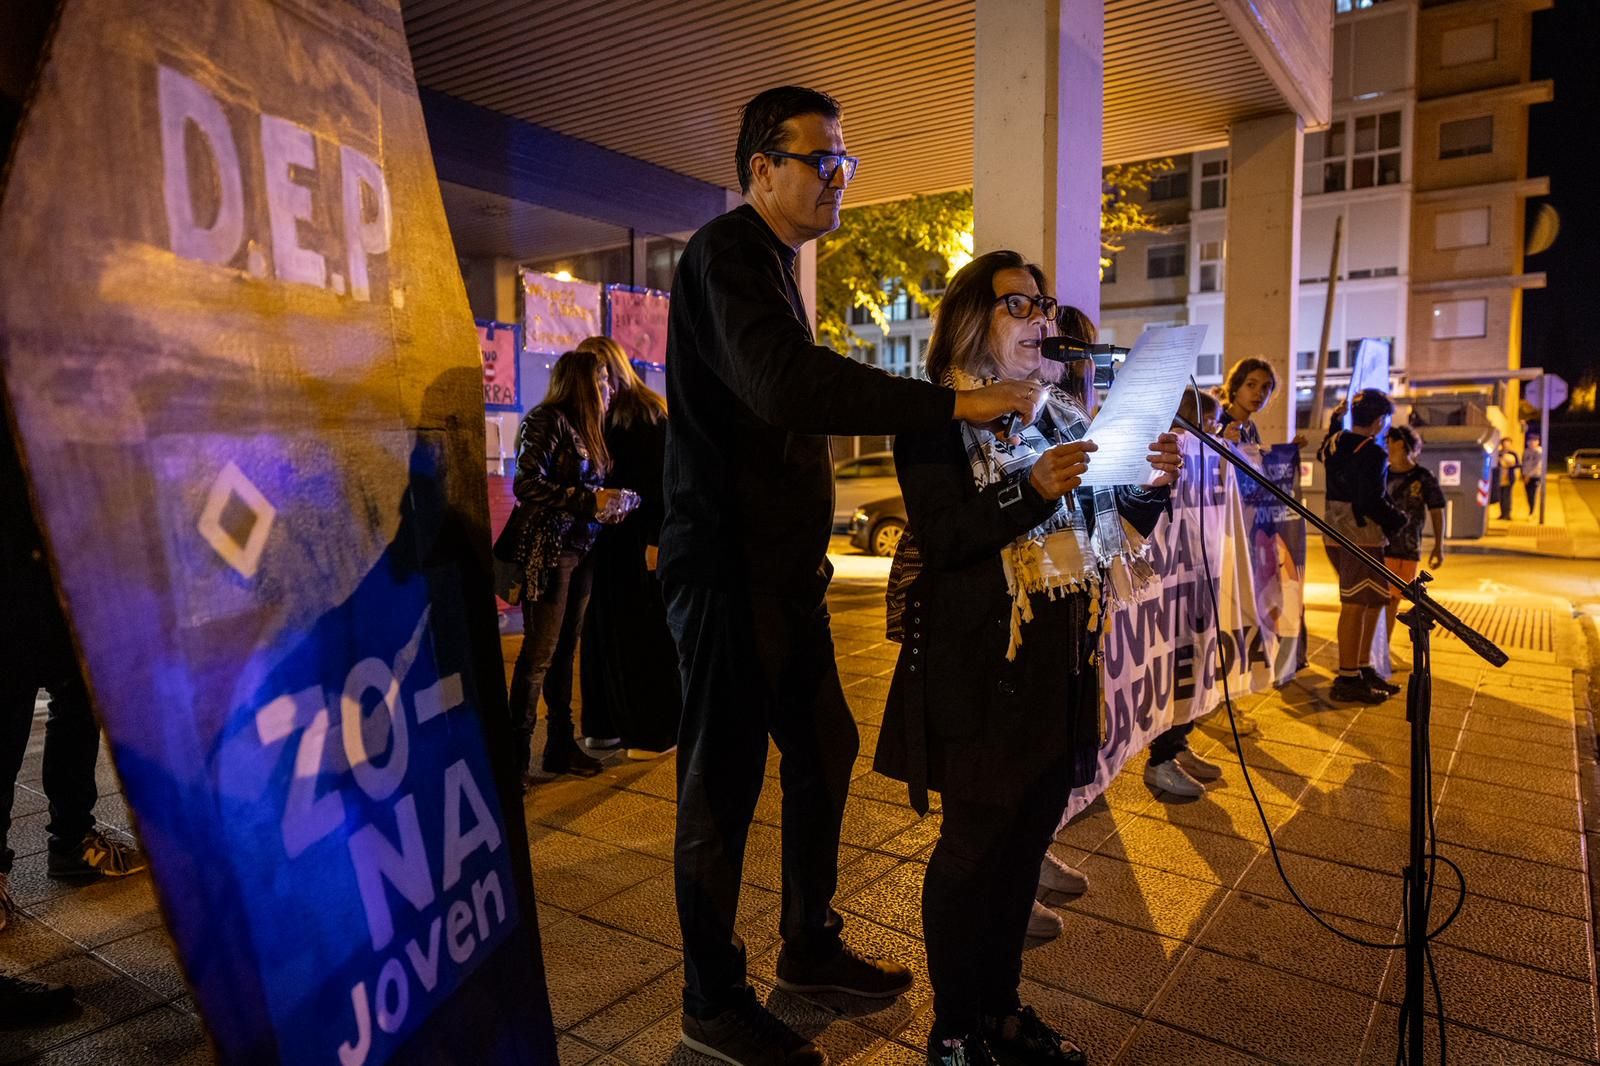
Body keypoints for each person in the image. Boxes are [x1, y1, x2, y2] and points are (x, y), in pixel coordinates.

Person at [660, 86, 1044, 1066]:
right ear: (761, 168)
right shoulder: (725, 254)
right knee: (721, 787)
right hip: (726, 574)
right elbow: (785, 383)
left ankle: (807, 944)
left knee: (823, 747)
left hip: (783, 575)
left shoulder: (775, 265)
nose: (839, 176)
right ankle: (711, 1000)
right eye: (821, 159)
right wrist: (950, 405)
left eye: (845, 161)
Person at [875, 251, 1180, 1066]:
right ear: (970, 318)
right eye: (1018, 304)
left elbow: (1108, 533)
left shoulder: (1065, 417)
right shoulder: (935, 417)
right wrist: (1030, 489)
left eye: (1043, 304)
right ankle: (954, 1031)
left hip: (1059, 666)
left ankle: (1002, 1010)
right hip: (981, 668)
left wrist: (1151, 487)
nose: (1041, 318)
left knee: (1025, 845)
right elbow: (947, 539)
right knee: (974, 847)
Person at [2, 430, 148, 936]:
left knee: (78, 687)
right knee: (11, 695)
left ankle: (74, 840)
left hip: (71, 532)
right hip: (17, 534)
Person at [505, 348, 627, 784]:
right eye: (602, 380)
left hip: (582, 550)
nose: (609, 389)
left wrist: (609, 505)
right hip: (551, 551)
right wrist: (587, 500)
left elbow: (586, 491)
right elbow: (526, 483)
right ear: (582, 384)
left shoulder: (588, 428)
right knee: (538, 655)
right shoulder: (547, 420)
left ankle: (560, 746)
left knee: (564, 652)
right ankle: (515, 760)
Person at [574, 336, 681, 758]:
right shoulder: (629, 412)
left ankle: (646, 729)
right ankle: (615, 725)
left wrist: (656, 540)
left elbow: (661, 485)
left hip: (631, 539)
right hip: (613, 538)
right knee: (610, 631)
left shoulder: (642, 415)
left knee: (633, 634)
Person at [1143, 388, 1226, 800]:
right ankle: (1160, 758)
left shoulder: (1205, 458)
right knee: (1171, 667)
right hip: (1167, 583)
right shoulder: (1161, 454)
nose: (1215, 433)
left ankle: (1177, 743)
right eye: (1210, 424)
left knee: (1192, 664)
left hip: (1196, 577)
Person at [1320, 389, 1407, 704]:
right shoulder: (1373, 453)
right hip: (1361, 536)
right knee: (1357, 604)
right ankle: (1348, 677)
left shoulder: (1334, 442)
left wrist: (1335, 420)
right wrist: (1397, 519)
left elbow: (1326, 448)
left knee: (1374, 600)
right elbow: (1370, 499)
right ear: (1380, 420)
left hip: (1335, 531)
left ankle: (1362, 667)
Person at [1382, 425, 1445, 653]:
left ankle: (1382, 649)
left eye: (1389, 441)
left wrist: (1439, 546)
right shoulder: (1383, 474)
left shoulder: (1423, 477)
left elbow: (1437, 510)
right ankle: (1380, 650)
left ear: (1400, 443)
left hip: (1408, 548)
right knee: (1384, 599)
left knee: (1392, 600)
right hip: (1382, 546)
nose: (1386, 446)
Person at [1494, 439, 1520, 521]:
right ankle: (1502, 514)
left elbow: (1518, 464)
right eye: (1504, 444)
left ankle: (1507, 514)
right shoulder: (1498, 453)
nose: (1506, 446)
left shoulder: (1513, 454)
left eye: (1508, 444)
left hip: (1508, 478)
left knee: (1507, 496)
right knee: (1501, 497)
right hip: (1499, 478)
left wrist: (1511, 465)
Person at [1523, 433, 1545, 516]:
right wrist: (1524, 474)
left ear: (1538, 442)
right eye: (1530, 441)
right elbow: (1524, 463)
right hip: (1526, 476)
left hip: (1535, 476)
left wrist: (1529, 475)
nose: (1532, 443)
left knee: (1533, 494)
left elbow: (1537, 465)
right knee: (1528, 495)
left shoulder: (1539, 452)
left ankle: (1532, 512)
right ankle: (1531, 509)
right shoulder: (1526, 451)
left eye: (1534, 441)